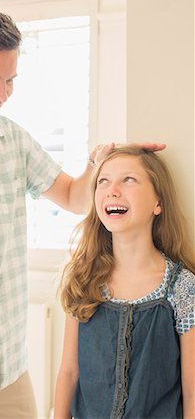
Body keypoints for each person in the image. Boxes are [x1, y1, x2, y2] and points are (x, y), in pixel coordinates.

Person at [0, 2, 165, 419]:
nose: (1, 94)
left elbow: (75, 198)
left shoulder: (12, 140)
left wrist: (108, 162)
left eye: (9, 80)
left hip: (7, 370)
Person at [54, 145, 195, 419]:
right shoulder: (83, 278)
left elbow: (192, 391)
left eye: (128, 179)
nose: (112, 190)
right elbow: (69, 372)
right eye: (103, 181)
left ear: (158, 203)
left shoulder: (183, 287)